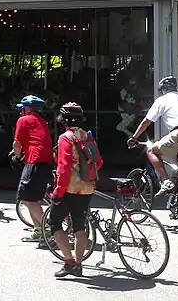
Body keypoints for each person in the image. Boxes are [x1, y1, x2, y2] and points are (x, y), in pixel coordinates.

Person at [48, 102, 103, 278]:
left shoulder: (65, 138)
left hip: (69, 189)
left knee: (54, 223)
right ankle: (78, 266)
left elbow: (63, 168)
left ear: (63, 119)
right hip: (87, 187)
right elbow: (99, 162)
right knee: (79, 226)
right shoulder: (87, 136)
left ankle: (68, 262)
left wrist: (58, 192)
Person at [128, 76, 178, 196]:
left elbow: (146, 121)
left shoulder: (163, 100)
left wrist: (134, 138)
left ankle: (167, 181)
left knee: (152, 151)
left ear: (163, 89)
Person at [10, 95, 54, 245]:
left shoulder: (24, 120)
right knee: (33, 199)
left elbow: (17, 143)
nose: (20, 112)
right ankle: (38, 231)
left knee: (26, 198)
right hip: (46, 162)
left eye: (22, 108)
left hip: (35, 161)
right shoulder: (42, 121)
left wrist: (16, 157)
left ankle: (47, 231)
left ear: (28, 108)